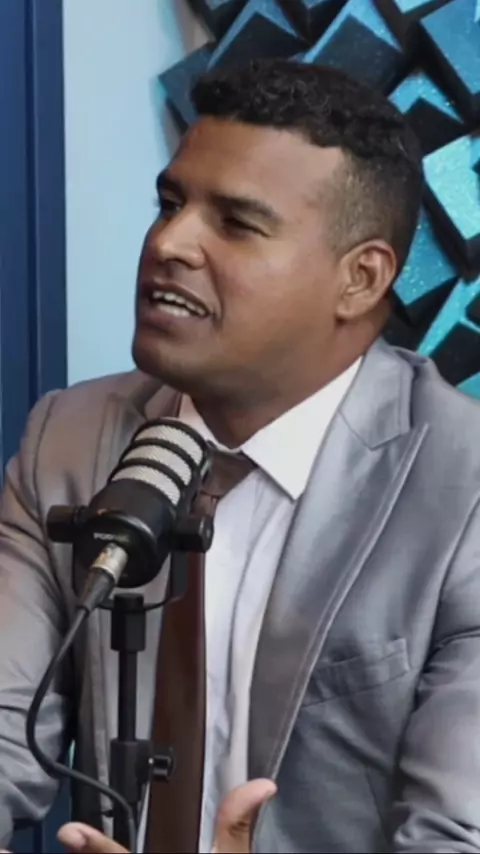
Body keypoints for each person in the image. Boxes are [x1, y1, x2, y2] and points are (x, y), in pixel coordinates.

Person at [1, 56, 480, 854]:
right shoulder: (69, 436)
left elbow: (455, 836)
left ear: (361, 279)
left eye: (236, 223)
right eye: (170, 204)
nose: (169, 242)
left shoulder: (464, 488)